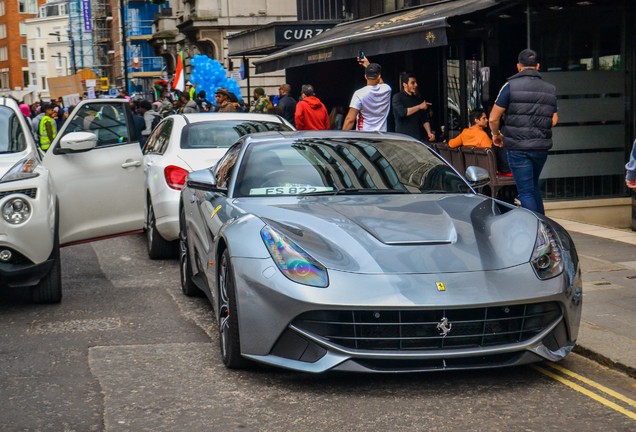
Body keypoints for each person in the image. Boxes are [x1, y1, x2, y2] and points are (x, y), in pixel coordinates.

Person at [489, 49, 558, 215]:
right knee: (533, 188)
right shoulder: (550, 89)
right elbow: (554, 120)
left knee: (525, 192)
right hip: (541, 147)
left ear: (518, 66)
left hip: (518, 147)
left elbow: (492, 118)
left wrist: (496, 134)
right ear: (538, 66)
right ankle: (543, 227)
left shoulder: (510, 86)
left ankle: (534, 229)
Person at [343, 57, 392, 131]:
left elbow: (350, 120)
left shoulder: (359, 94)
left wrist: (342, 137)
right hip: (382, 136)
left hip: (365, 136)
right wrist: (368, 64)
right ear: (379, 77)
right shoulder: (387, 89)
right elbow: (381, 83)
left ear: (365, 77)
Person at [392, 73, 435, 141]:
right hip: (402, 137)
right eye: (412, 83)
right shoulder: (398, 97)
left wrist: (429, 133)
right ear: (405, 85)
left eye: (416, 82)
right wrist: (419, 107)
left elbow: (424, 119)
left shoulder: (417, 100)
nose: (416, 85)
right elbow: (402, 113)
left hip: (416, 137)